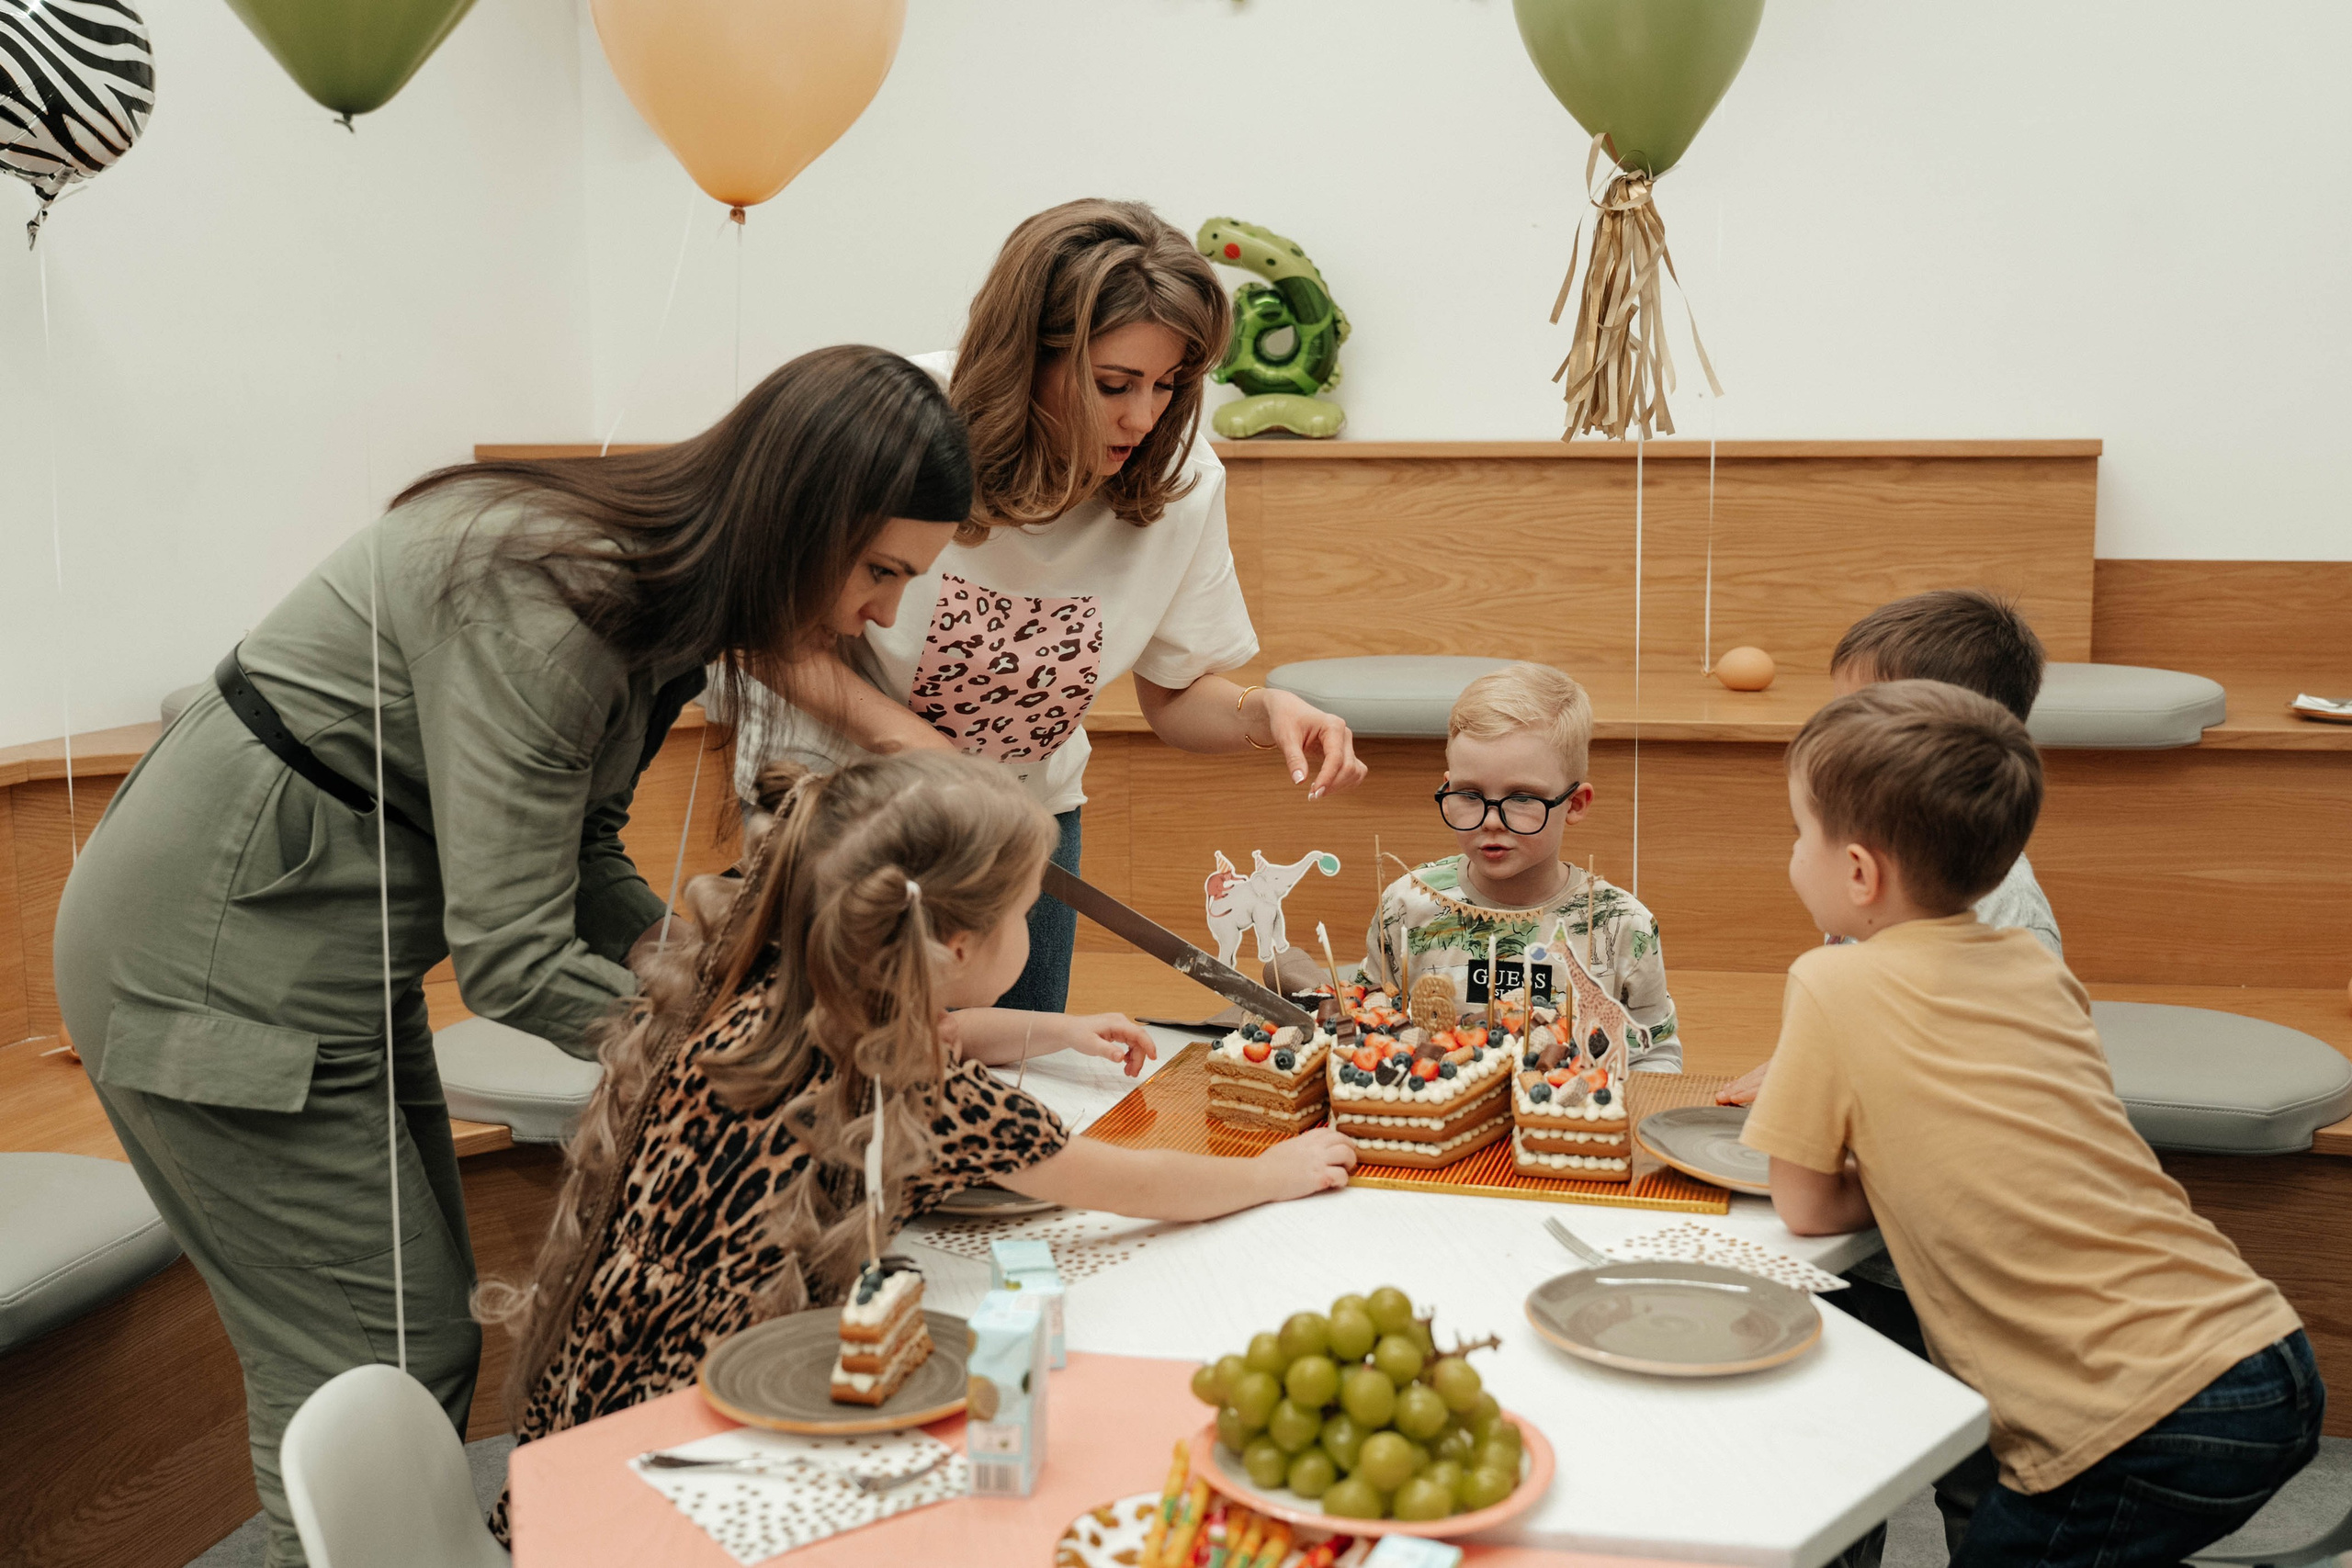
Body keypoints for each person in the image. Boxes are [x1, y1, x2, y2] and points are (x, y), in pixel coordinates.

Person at [51, 345, 976, 1568]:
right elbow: (517, 955)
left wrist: (725, 984)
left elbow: (583, 850)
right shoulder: (548, 603)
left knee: (411, 1341)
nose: (880, 617)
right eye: (878, 571)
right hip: (213, 978)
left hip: (322, 967)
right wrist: (749, 1059)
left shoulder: (643, 597)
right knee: (368, 1359)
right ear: (796, 520)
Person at [483, 752, 1356, 1534]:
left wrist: (1056, 1028)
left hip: (581, 1422)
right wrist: (1273, 1170)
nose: (1030, 932)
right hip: (690, 1464)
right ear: (956, 944)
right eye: (1023, 914)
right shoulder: (922, 1090)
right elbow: (1130, 1184)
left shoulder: (768, 987)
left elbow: (944, 1026)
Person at [737, 198, 1368, 1014]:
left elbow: (1175, 694)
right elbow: (761, 629)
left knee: (1020, 1086)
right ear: (1025, 355)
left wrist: (1259, 709)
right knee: (839, 1084)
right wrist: (909, 743)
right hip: (845, 816)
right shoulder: (899, 418)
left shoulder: (1184, 481)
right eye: (1113, 384)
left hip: (1026, 833)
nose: (1144, 417)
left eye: (1169, 385)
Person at [1746, 681, 2321, 1568]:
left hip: (2128, 1417)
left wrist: (1889, 1175)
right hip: (2258, 1351)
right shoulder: (2027, 958)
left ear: (1859, 871)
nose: (1791, 854)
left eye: (1798, 833)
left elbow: (1808, 1207)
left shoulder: (1831, 982)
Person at [1718, 585, 2058, 1107]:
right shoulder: (1885, 856)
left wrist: (1821, 1079)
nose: (1833, 732)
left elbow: (1984, 1085)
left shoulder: (2001, 914)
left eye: (1859, 715)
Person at [1363, 663, 1682, 1071]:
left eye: (1522, 797)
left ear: (1576, 803)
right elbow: (1370, 1018)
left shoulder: (1623, 926)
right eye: (1469, 794)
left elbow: (1655, 1054)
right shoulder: (1406, 905)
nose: (1491, 820)